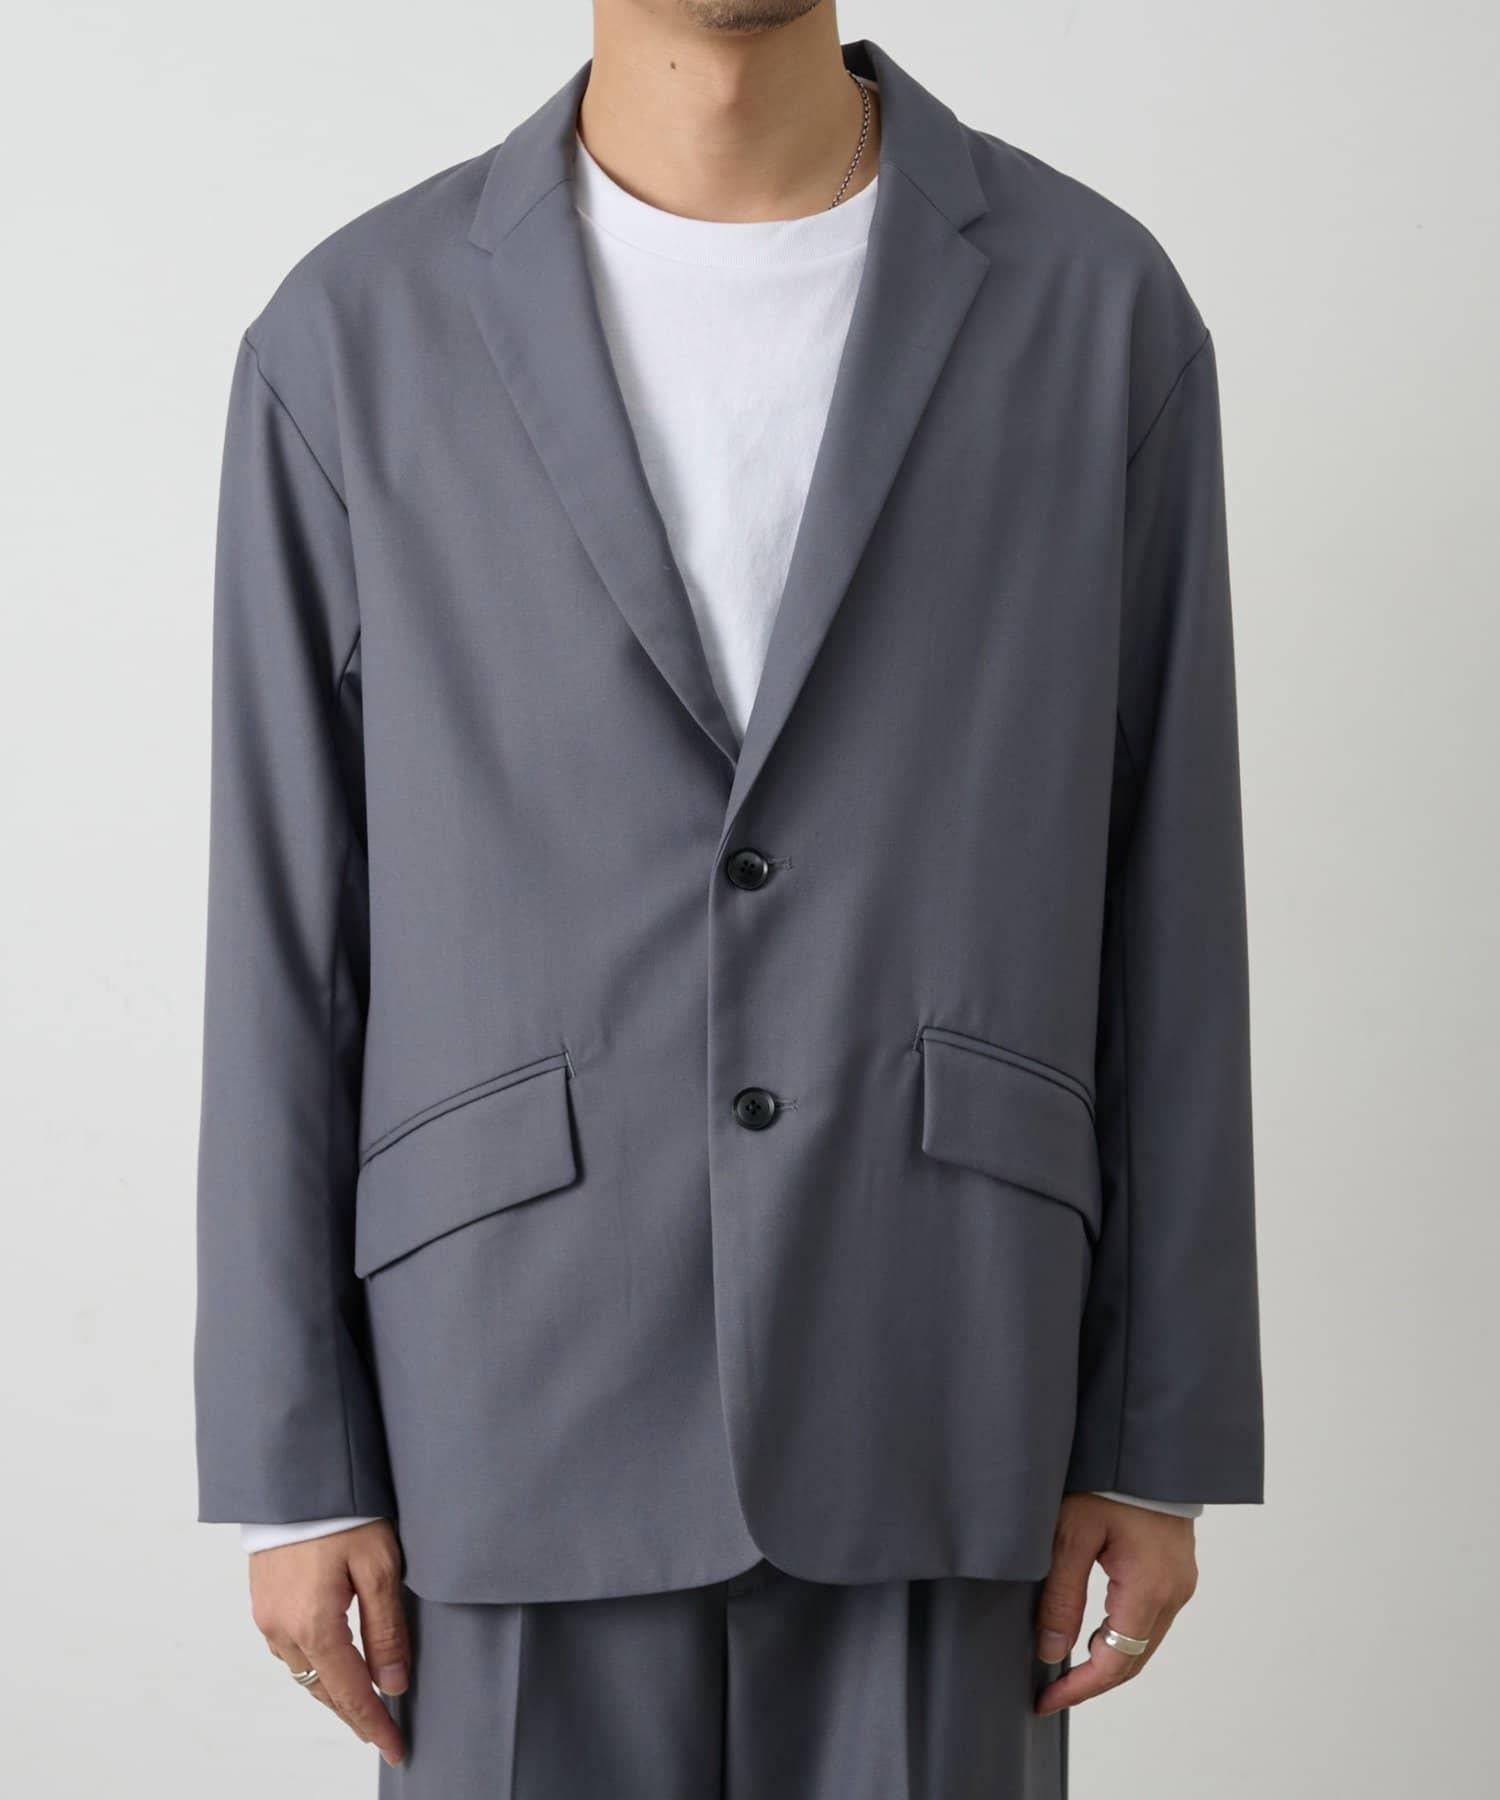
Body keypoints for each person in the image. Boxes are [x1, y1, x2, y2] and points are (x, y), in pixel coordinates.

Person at [195, 3, 1263, 1792]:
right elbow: (284, 923)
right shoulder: (353, 330)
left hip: (941, 1366)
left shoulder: (1096, 307)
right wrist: (295, 1462)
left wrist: (1158, 1428)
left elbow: (1169, 895)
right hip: (502, 1397)